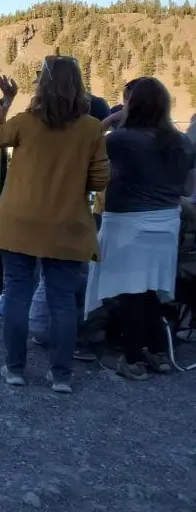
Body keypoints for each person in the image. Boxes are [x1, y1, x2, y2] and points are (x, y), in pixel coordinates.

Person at [0, 56, 110, 394]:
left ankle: (14, 369)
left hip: (19, 224)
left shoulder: (25, 122)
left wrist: (6, 101)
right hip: (67, 227)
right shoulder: (91, 128)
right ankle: (61, 376)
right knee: (62, 301)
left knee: (17, 296)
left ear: (42, 86)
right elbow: (100, 179)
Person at [84, 78, 196, 380]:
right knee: (149, 291)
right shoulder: (181, 143)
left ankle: (133, 360)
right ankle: (158, 352)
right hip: (166, 223)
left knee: (128, 290)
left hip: (127, 223)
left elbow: (87, 141)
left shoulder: (122, 140)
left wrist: (111, 118)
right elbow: (187, 186)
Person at [27, 79, 120, 358]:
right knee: (77, 278)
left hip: (52, 221)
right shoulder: (89, 148)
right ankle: (73, 334)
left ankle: (50, 328)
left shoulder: (51, 138)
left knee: (54, 276)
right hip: (77, 222)